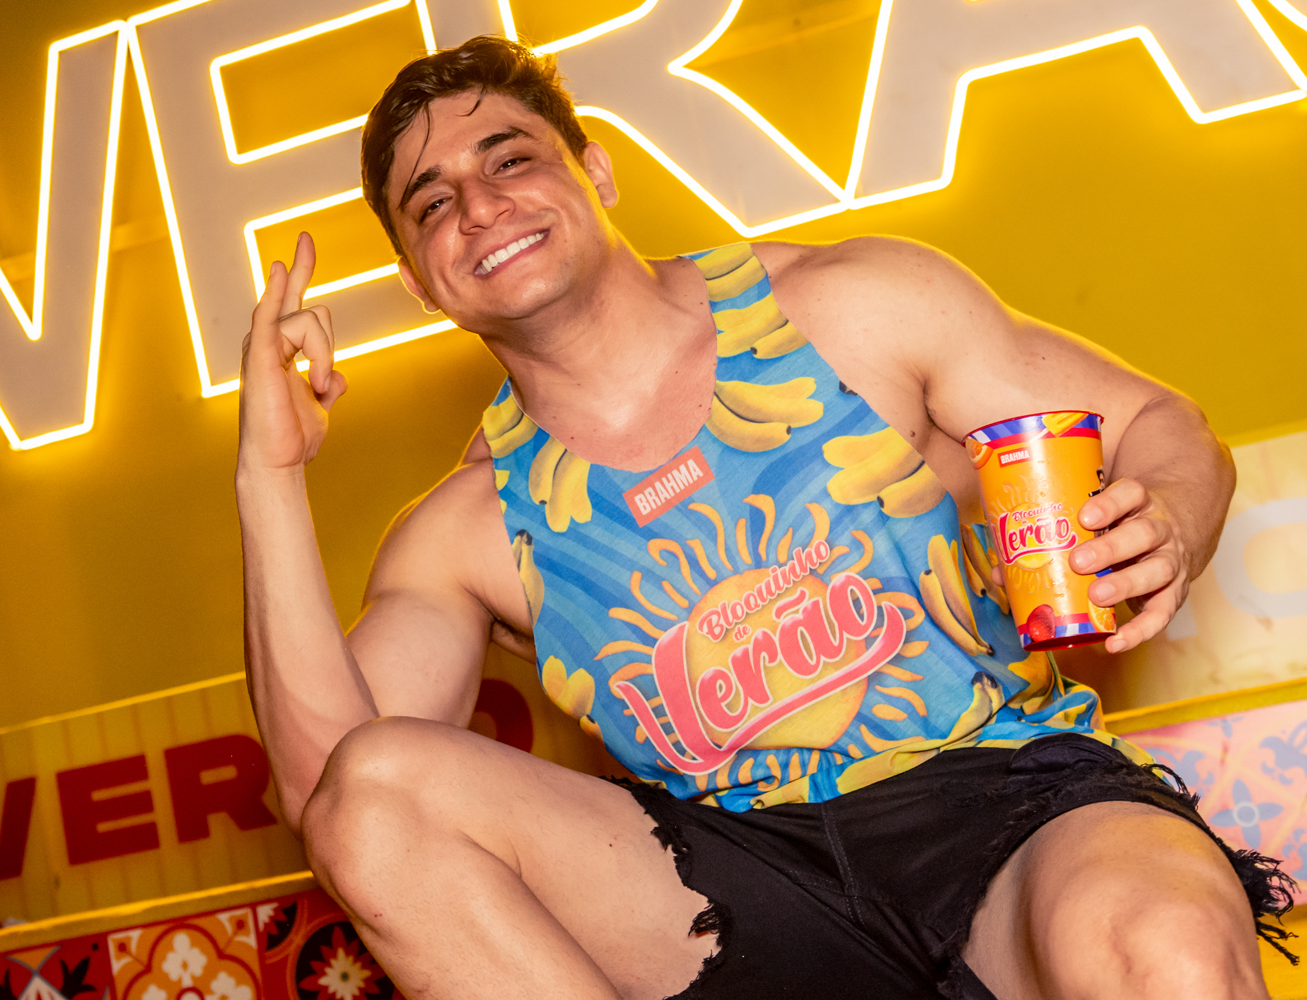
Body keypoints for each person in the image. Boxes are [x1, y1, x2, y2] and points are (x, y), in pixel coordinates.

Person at [234, 35, 1289, 1000]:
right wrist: (268, 474)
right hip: (734, 888)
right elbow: (332, 792)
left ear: (596, 171)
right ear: (420, 284)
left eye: (509, 159)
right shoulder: (470, 528)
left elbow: (1156, 425)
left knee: (1167, 951)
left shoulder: (852, 308)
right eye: (431, 205)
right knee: (375, 794)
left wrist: (1172, 515)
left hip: (1006, 799)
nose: (478, 206)